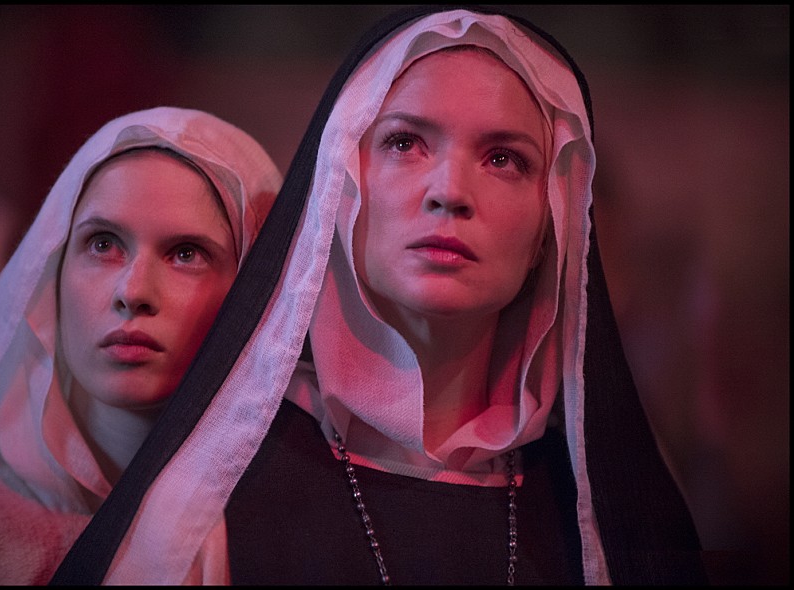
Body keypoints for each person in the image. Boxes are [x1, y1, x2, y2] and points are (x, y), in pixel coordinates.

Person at [50, 6, 709, 585]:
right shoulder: (208, 494)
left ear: (552, 225)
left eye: (503, 158)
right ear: (338, 192)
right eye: (404, 142)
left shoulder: (601, 513)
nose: (448, 191)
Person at [0, 106, 282, 585]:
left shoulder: (303, 536)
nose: (133, 291)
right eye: (103, 244)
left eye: (186, 254)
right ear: (54, 271)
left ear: (256, 289)